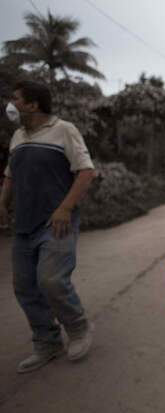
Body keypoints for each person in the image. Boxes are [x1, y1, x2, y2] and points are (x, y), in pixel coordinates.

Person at [0, 80, 95, 373]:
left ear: (32, 104)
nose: (11, 104)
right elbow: (11, 176)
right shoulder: (18, 136)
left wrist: (65, 208)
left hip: (56, 222)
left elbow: (86, 171)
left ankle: (78, 328)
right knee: (25, 286)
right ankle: (47, 342)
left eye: (16, 99)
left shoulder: (63, 130)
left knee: (51, 280)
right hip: (23, 224)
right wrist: (2, 203)